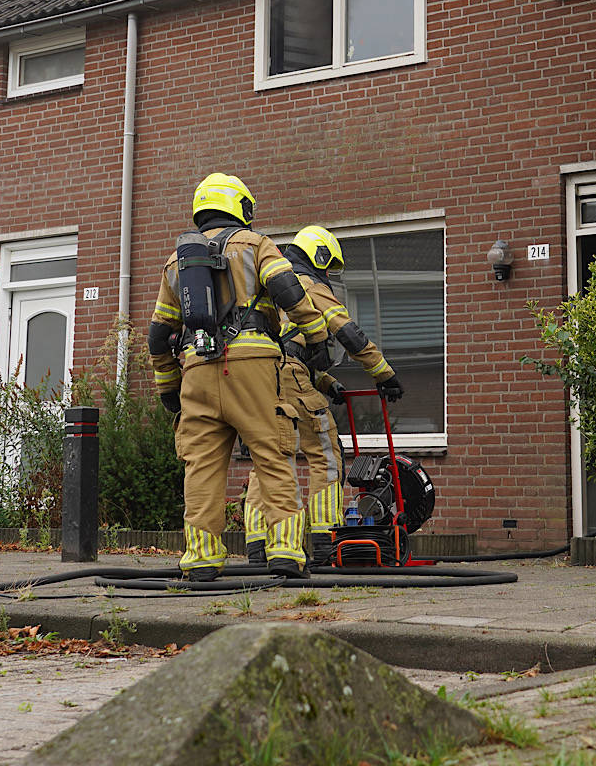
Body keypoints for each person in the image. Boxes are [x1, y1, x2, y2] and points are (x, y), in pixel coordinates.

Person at [148, 173, 328, 580]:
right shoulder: (257, 245)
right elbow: (288, 290)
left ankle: (201, 560)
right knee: (272, 454)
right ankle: (284, 552)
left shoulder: (177, 261)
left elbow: (159, 333)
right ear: (240, 207)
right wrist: (316, 336)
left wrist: (168, 388)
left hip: (195, 369)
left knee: (201, 467)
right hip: (253, 367)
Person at [241, 224, 404, 567]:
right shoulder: (308, 283)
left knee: (268, 458)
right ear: (320, 256)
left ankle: (258, 547)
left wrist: (328, 384)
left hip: (257, 377)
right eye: (329, 267)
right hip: (289, 376)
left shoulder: (270, 285)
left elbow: (288, 346)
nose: (329, 276)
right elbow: (346, 331)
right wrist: (384, 373)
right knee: (327, 452)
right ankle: (325, 541)